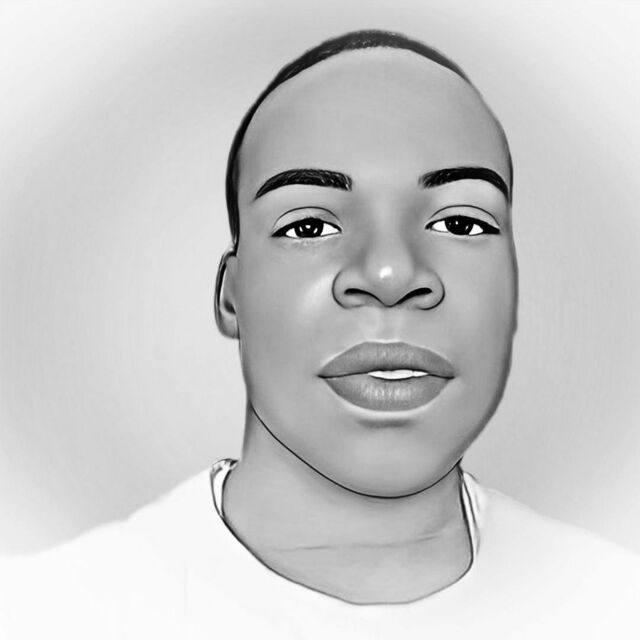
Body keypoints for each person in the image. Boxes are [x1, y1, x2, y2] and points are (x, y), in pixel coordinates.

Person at [1, 29, 639, 640]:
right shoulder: (47, 617)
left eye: (462, 224)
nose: (390, 275)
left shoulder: (613, 608)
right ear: (230, 294)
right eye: (308, 227)